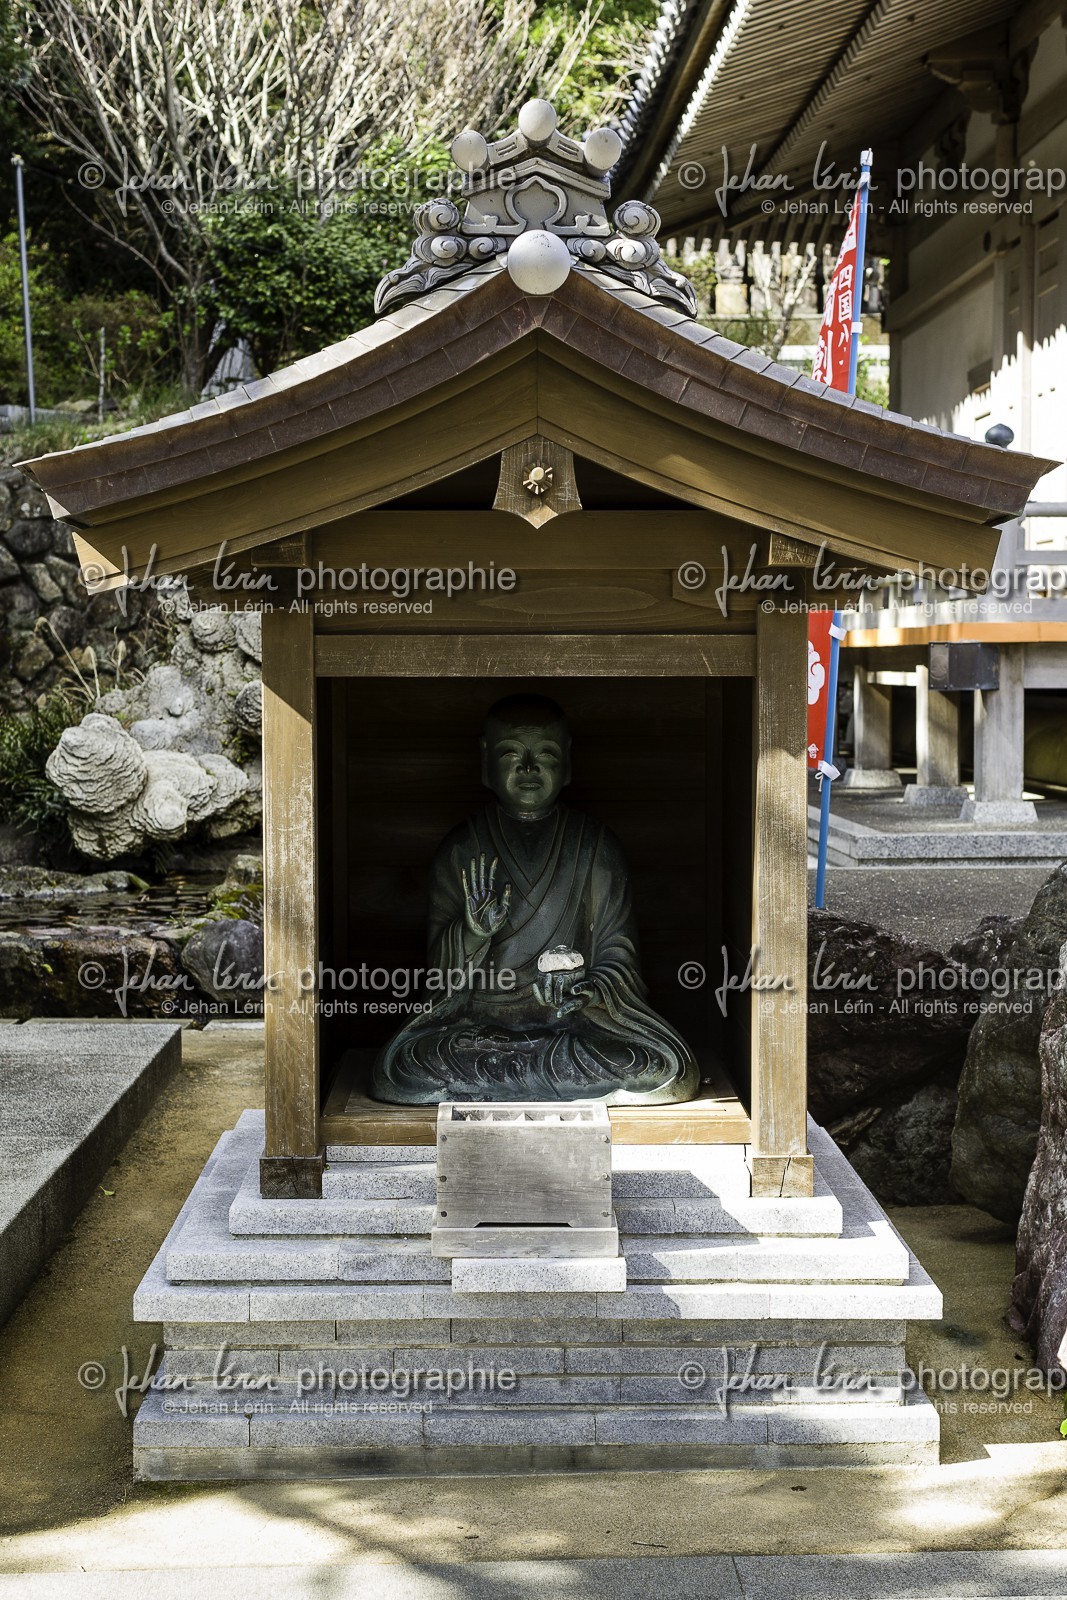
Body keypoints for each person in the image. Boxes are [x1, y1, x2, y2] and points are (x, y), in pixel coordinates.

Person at [371, 693, 699, 1104]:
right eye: (511, 755)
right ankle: (549, 1079)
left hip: (572, 1028)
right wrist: (472, 934)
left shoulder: (595, 847)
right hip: (480, 1033)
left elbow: (620, 959)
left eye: (544, 754)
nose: (528, 769)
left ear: (568, 762)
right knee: (405, 1067)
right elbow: (438, 982)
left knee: (663, 1068)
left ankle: (519, 1078)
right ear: (486, 760)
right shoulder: (462, 849)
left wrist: (588, 990)